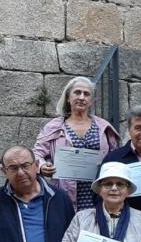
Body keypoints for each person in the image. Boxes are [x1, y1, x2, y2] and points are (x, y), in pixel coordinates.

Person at [34, 76, 120, 211]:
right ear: (68, 98)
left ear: (91, 101)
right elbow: (36, 154)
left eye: (86, 94)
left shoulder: (103, 127)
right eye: (77, 92)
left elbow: (115, 157)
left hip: (97, 195)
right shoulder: (54, 127)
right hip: (65, 195)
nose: (81, 97)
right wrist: (43, 166)